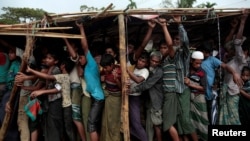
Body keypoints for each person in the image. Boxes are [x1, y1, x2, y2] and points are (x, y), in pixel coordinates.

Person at [27, 57, 77, 141]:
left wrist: (31, 71)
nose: (46, 59)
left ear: (62, 65)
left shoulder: (60, 74)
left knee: (64, 129)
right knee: (62, 128)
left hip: (61, 105)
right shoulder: (62, 75)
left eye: (49, 58)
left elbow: (57, 87)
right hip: (61, 105)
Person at [199, 41, 243, 125]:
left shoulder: (212, 59)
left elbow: (225, 66)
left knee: (212, 117)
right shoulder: (197, 60)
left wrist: (234, 73)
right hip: (199, 94)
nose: (207, 54)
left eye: (208, 52)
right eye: (205, 52)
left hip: (210, 95)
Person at [76, 21, 105, 141]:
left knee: (91, 124)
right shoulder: (86, 68)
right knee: (93, 124)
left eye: (81, 57)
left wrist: (81, 28)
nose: (80, 59)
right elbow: (80, 73)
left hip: (98, 98)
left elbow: (85, 46)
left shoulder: (92, 63)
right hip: (95, 97)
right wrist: (78, 62)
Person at [219, 10, 248, 125]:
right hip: (227, 91)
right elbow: (227, 43)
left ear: (244, 52)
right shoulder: (230, 60)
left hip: (232, 92)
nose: (230, 49)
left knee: (234, 118)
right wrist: (233, 28)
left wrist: (243, 22)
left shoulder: (240, 60)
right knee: (226, 119)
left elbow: (236, 42)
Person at [129, 51, 163, 141]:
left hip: (156, 101)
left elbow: (147, 85)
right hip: (148, 101)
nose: (154, 63)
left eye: (157, 62)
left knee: (156, 124)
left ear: (160, 62)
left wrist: (133, 89)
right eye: (153, 61)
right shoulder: (148, 69)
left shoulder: (158, 71)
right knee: (149, 125)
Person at [158, 16, 179, 141]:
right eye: (161, 47)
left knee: (167, 123)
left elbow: (170, 44)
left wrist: (164, 26)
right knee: (169, 122)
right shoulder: (162, 61)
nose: (163, 50)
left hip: (170, 93)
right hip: (167, 93)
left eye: (165, 48)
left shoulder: (170, 58)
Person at [63, 38, 87, 141]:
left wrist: (65, 39)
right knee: (74, 118)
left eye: (71, 46)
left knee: (76, 118)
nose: (69, 48)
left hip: (76, 87)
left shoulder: (77, 58)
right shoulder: (69, 60)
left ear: (76, 48)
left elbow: (74, 56)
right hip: (71, 88)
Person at [0, 39, 23, 141]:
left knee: (8, 117)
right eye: (9, 52)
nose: (9, 54)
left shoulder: (17, 64)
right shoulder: (12, 64)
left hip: (12, 93)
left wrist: (11, 97)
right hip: (8, 92)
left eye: (12, 52)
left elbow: (16, 81)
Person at [184, 51, 209, 141]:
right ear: (191, 60)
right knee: (192, 119)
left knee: (202, 119)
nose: (198, 65)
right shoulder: (187, 70)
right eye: (196, 63)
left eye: (200, 63)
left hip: (199, 98)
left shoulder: (202, 72)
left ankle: (204, 137)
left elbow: (203, 88)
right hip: (189, 98)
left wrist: (189, 84)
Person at [127, 51, 150, 141]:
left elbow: (138, 80)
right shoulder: (133, 68)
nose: (140, 62)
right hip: (127, 95)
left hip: (135, 97)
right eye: (140, 60)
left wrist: (127, 71)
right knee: (127, 122)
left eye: (143, 61)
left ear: (146, 63)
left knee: (136, 123)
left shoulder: (145, 71)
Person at [99, 53, 122, 141]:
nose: (104, 69)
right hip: (108, 97)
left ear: (112, 65)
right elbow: (102, 72)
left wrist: (116, 80)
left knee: (114, 122)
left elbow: (122, 89)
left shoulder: (119, 71)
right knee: (106, 120)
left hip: (116, 99)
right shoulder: (106, 70)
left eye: (106, 67)